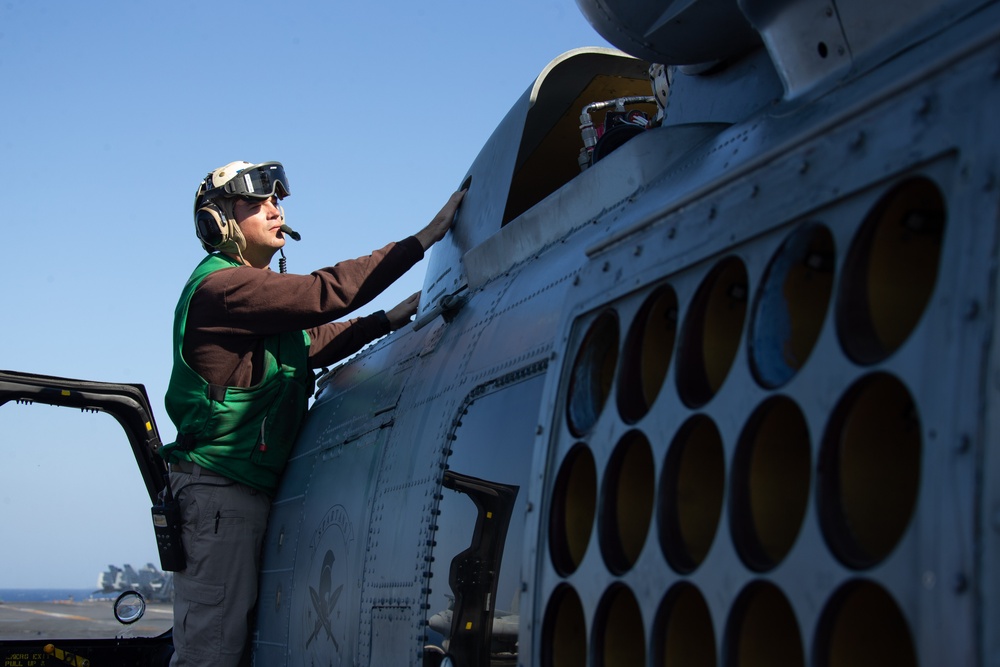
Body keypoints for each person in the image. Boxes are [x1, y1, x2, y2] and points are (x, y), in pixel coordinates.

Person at [158, 160, 465, 666]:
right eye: (258, 202)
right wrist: (426, 237)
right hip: (218, 497)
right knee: (209, 656)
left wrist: (392, 317)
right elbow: (326, 294)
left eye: (277, 200)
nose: (275, 209)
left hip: (240, 495)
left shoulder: (251, 304)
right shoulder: (222, 288)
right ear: (218, 223)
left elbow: (312, 342)